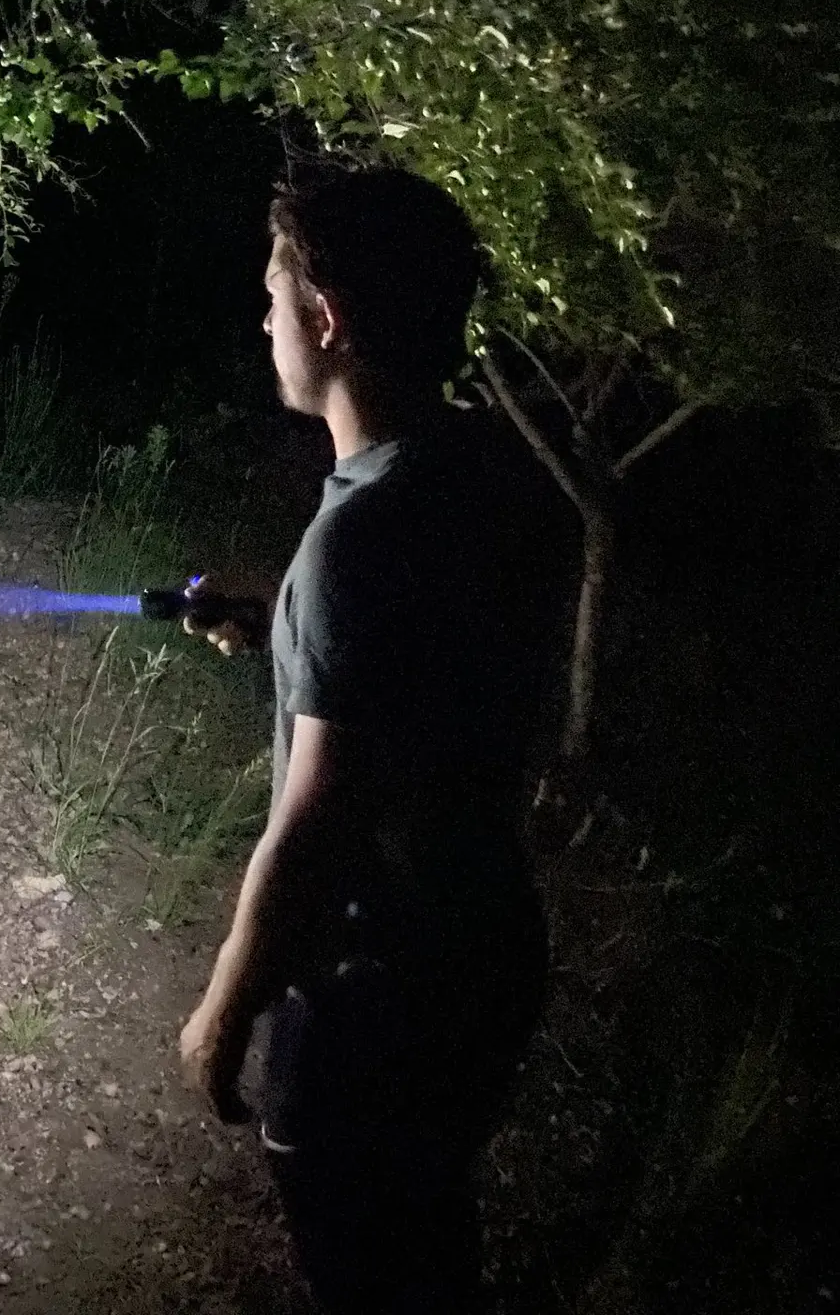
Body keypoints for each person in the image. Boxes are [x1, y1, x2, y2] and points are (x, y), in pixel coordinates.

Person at [178, 165, 556, 1314]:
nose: (263, 321)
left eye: (272, 296)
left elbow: (319, 817)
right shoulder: (476, 471)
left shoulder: (360, 538)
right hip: (485, 948)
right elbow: (425, 671)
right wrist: (290, 640)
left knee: (372, 1269)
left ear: (327, 319)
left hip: (379, 994)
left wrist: (223, 1011)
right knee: (430, 1244)